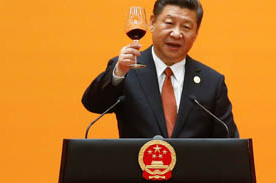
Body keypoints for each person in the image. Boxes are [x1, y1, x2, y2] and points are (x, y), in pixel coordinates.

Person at [82, 0, 239, 138]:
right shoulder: (126, 69)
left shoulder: (212, 82)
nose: (176, 34)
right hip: (136, 170)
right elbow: (93, 104)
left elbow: (228, 142)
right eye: (169, 23)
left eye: (186, 27)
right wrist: (118, 73)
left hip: (192, 171)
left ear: (196, 33)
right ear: (152, 22)